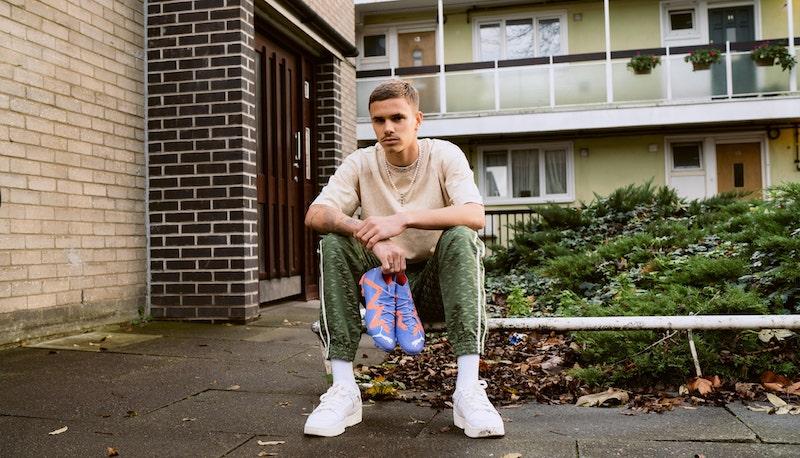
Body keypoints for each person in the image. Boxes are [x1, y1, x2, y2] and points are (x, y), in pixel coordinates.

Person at [303, 79, 504, 438]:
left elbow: (474, 214)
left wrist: (404, 219)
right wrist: (371, 236)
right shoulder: (361, 162)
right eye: (379, 120)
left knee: (462, 237)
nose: (388, 128)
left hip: (432, 287)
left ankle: (468, 390)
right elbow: (316, 214)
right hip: (380, 285)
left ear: (417, 120)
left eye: (397, 118)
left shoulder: (444, 155)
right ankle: (344, 389)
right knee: (333, 242)